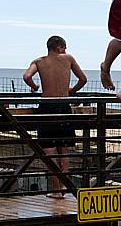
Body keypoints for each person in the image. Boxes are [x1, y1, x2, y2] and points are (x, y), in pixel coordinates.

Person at [23, 36, 87, 198]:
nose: (65, 50)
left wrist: (35, 86)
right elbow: (83, 79)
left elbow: (26, 77)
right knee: (63, 150)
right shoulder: (69, 59)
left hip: (46, 107)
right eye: (64, 47)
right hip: (64, 106)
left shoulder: (38, 61)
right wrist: (72, 90)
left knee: (49, 152)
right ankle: (64, 188)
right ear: (59, 47)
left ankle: (56, 190)